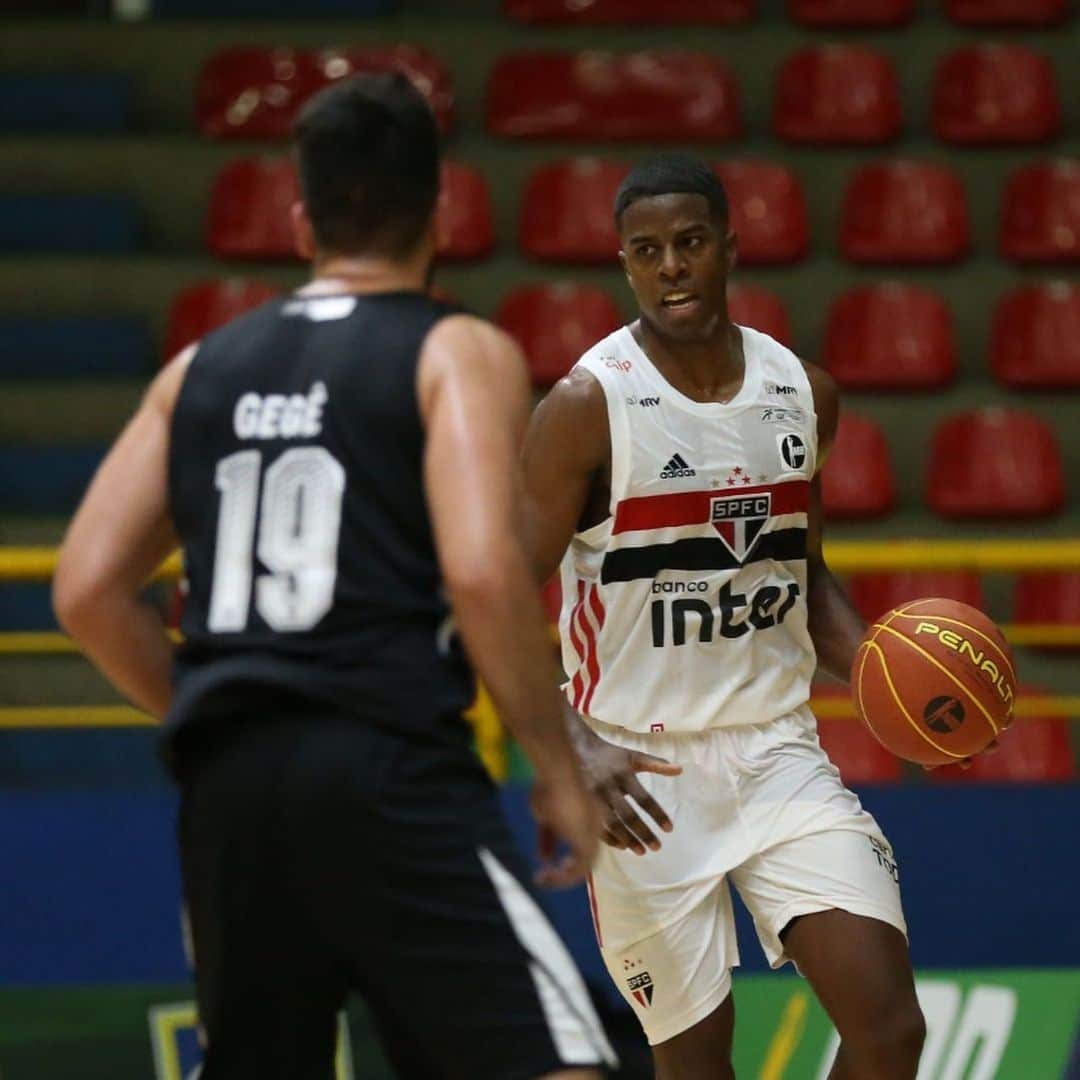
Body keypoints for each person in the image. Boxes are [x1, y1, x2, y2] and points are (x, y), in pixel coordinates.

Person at [52, 73, 616, 1080]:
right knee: (555, 1064)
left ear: (302, 218)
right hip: (389, 768)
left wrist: (212, 711)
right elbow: (484, 574)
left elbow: (87, 591)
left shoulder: (197, 368)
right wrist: (557, 767)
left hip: (230, 795)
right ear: (440, 210)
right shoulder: (457, 350)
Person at [521, 154, 928, 1080]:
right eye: (647, 250)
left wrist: (887, 684)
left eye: (691, 243)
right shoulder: (588, 407)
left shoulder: (802, 393)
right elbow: (501, 594)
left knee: (891, 1032)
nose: (671, 266)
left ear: (729, 249)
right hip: (639, 776)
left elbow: (803, 572)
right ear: (624, 265)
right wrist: (571, 743)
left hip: (776, 751)